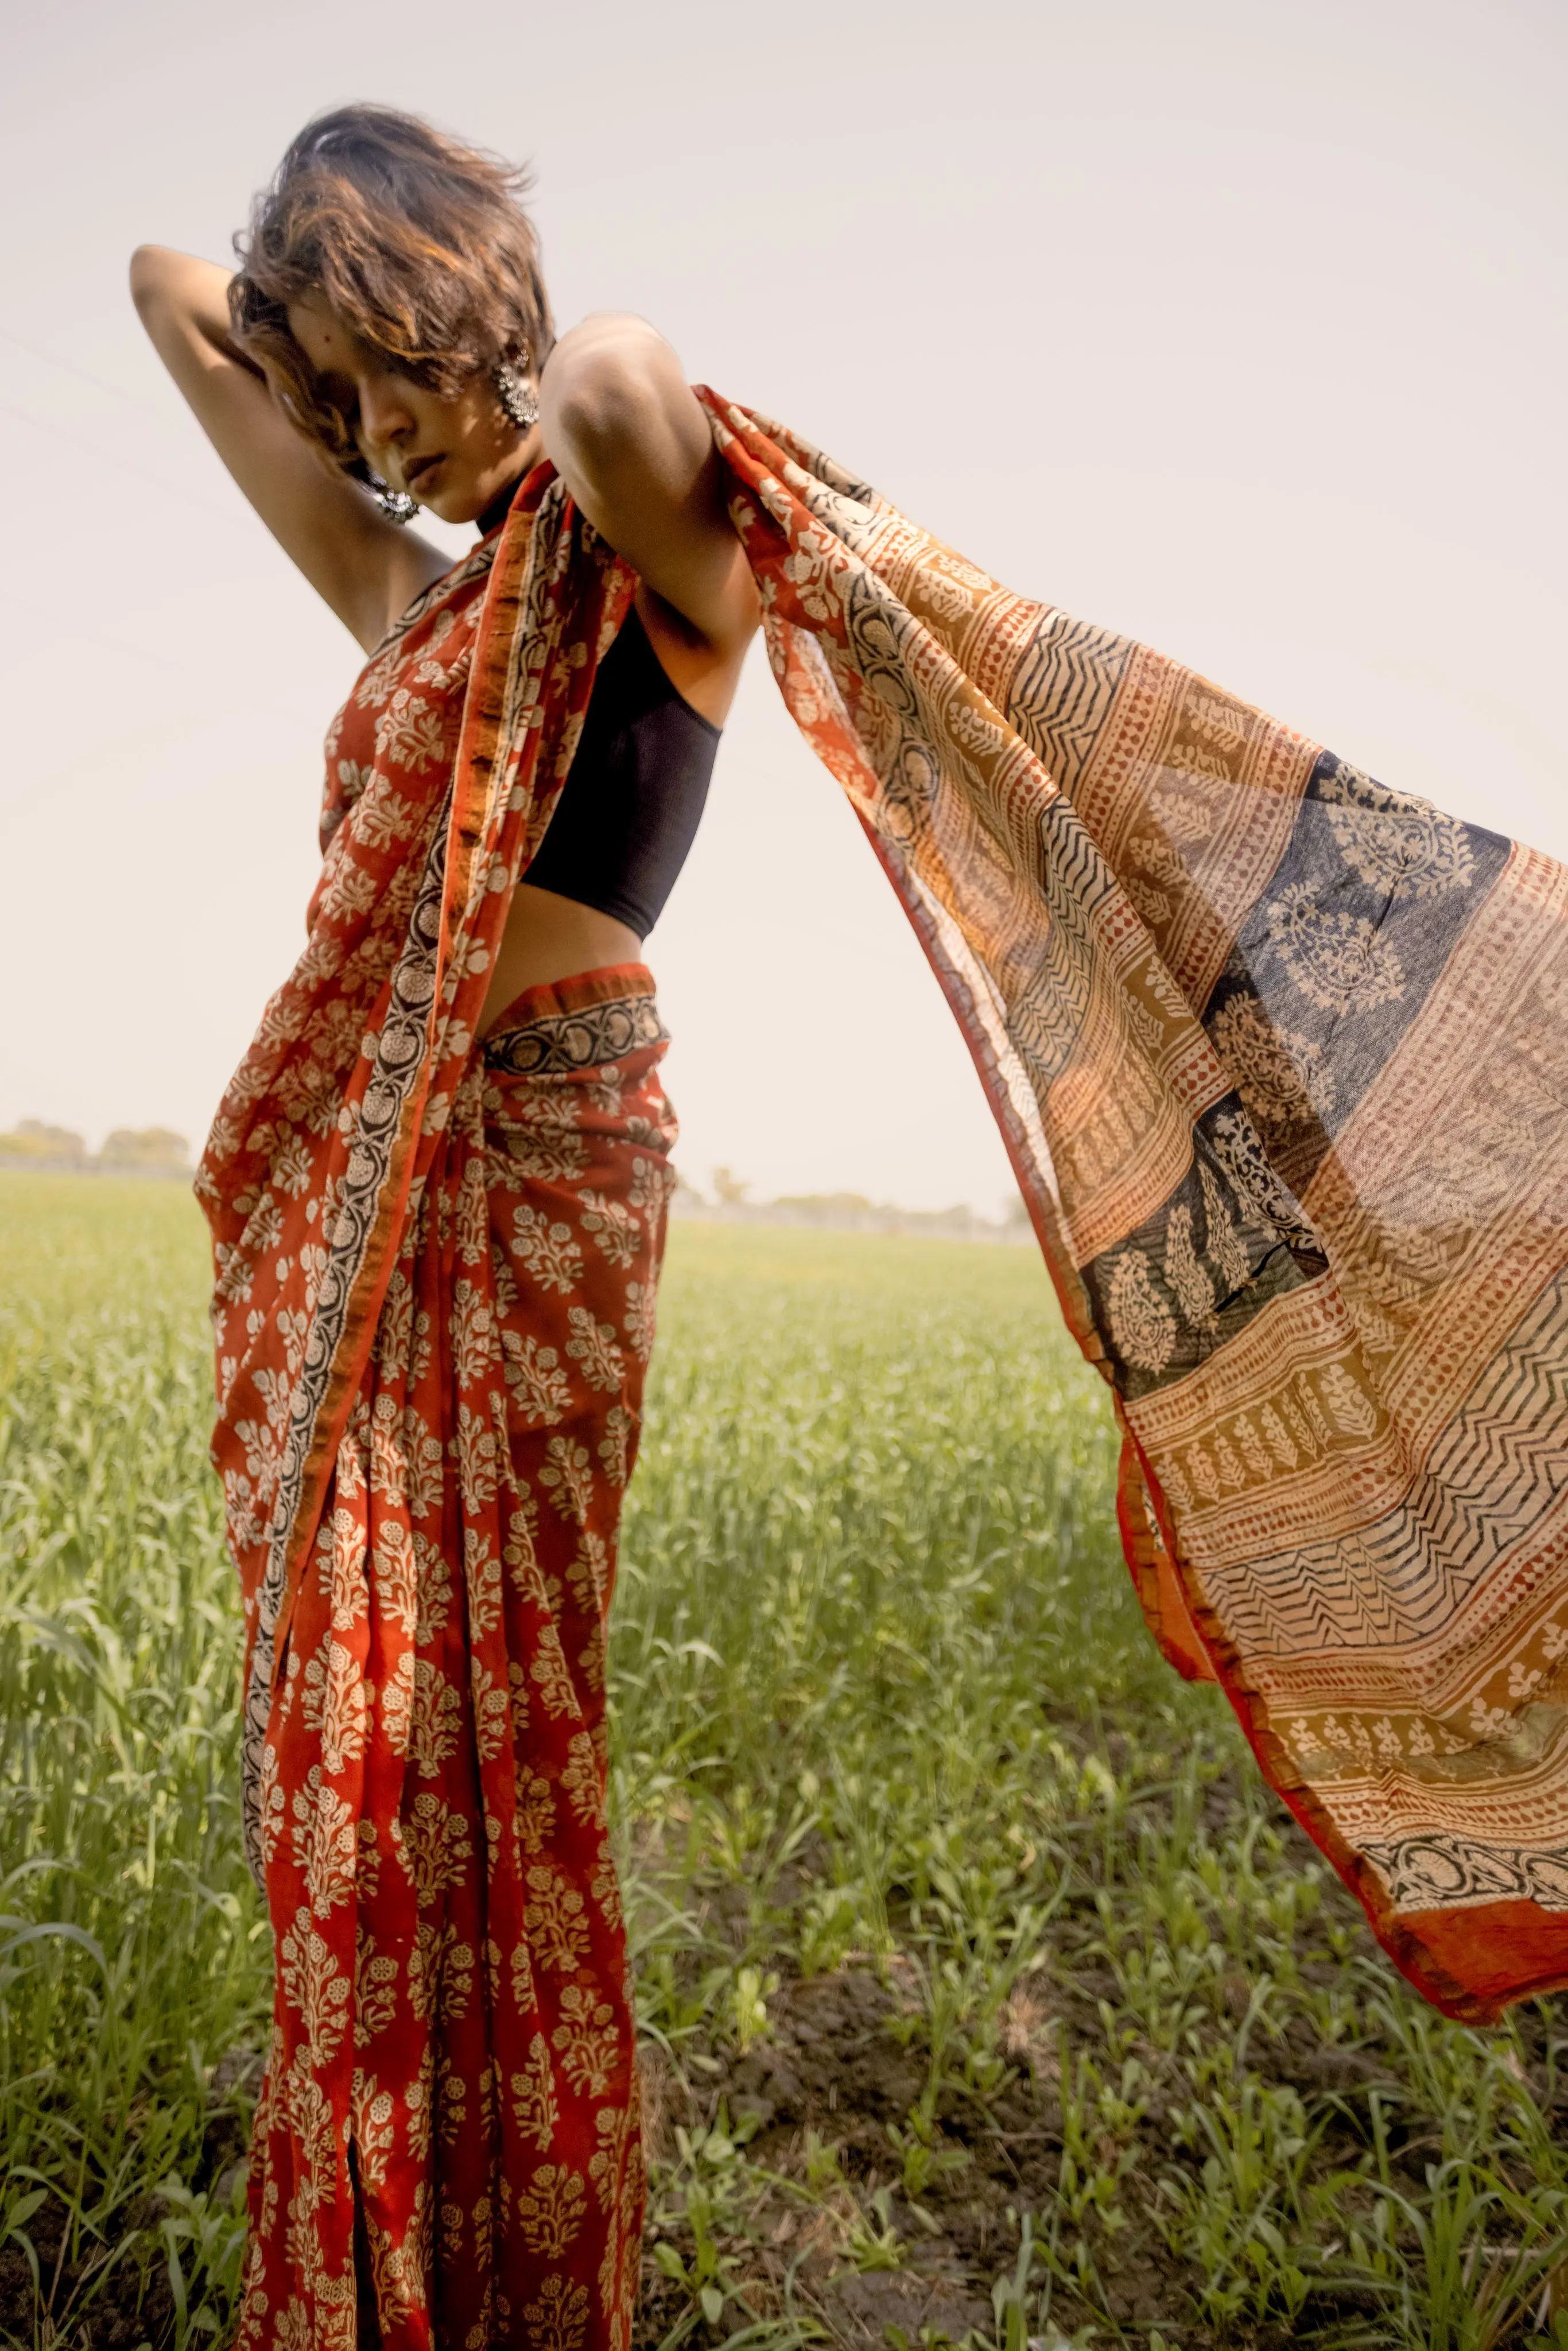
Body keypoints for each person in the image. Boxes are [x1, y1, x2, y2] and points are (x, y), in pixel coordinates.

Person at [133, 103, 757, 2351]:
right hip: (369, 1204)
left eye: (397, 368)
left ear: (463, 304)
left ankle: (512, 2285)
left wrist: (475, 340)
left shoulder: (678, 560)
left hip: (555, 1177)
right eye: (342, 395)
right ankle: (377, 2277)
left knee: (490, 1749)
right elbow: (153, 286)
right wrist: (322, 318)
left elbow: (598, 393)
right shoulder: (417, 601)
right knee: (355, 1776)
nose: (377, 427)